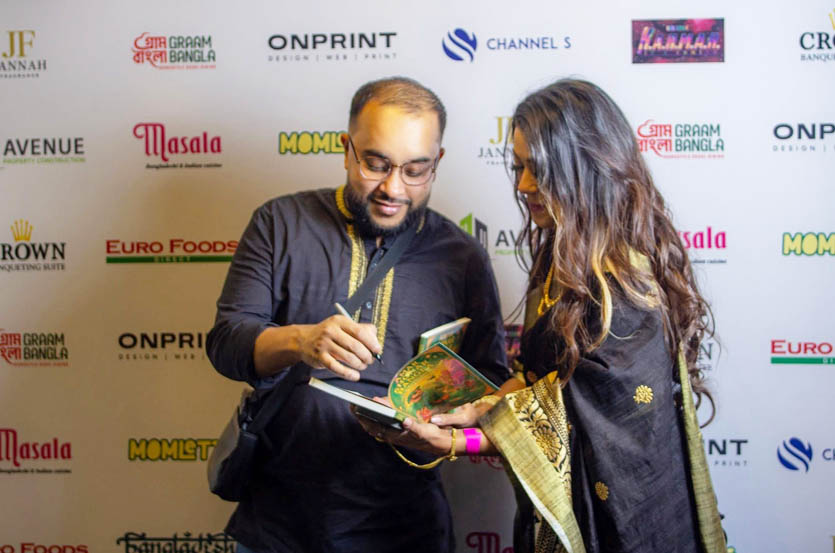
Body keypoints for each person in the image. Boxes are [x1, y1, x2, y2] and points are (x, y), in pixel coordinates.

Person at [360, 79, 726, 553]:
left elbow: (596, 422)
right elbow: (546, 385)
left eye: (540, 169)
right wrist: (474, 408)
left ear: (586, 167)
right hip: (557, 514)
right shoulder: (562, 254)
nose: (523, 185)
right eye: (518, 167)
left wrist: (461, 440)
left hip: (623, 523)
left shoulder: (626, 284)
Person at [205, 76, 508, 553]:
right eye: (376, 164)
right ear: (347, 149)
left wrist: (430, 413)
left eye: (415, 170)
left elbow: (491, 379)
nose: (393, 188)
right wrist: (299, 342)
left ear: (437, 164)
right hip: (280, 526)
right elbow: (226, 343)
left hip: (408, 528)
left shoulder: (463, 256)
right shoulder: (280, 223)